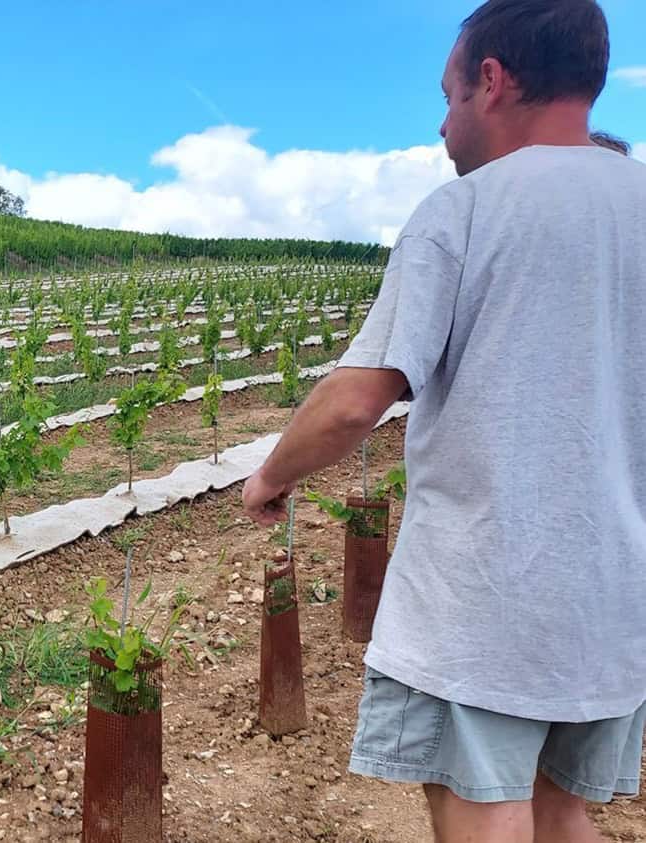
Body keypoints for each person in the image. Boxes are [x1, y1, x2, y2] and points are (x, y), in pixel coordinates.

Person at [240, 1, 646, 841]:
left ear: (492, 82)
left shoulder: (464, 211)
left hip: (486, 600)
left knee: (482, 804)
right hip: (614, 598)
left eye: (450, 95)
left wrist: (272, 474)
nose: (442, 123)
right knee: (562, 806)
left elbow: (359, 397)